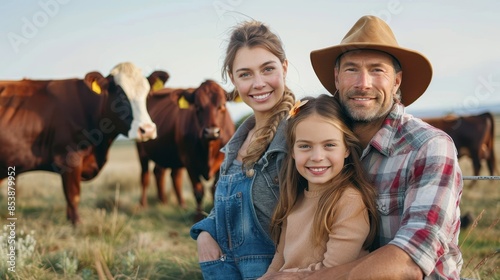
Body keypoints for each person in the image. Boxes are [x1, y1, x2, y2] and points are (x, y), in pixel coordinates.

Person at [260, 15, 463, 280]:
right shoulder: (323, 140)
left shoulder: (428, 147)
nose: (363, 83)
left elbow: (411, 261)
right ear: (336, 77)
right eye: (351, 69)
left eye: (377, 70)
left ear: (397, 81)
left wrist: (297, 278)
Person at [190, 20, 296, 280]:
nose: (258, 83)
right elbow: (226, 210)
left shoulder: (299, 134)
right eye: (245, 74)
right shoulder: (236, 143)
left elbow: (316, 215)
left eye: (267, 69)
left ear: (284, 67)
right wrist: (205, 233)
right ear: (233, 79)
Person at [261, 94, 379, 276]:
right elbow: (277, 264)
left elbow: (332, 272)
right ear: (292, 151)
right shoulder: (294, 197)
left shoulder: (349, 201)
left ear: (346, 148)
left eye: (329, 145)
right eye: (305, 146)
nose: (317, 157)